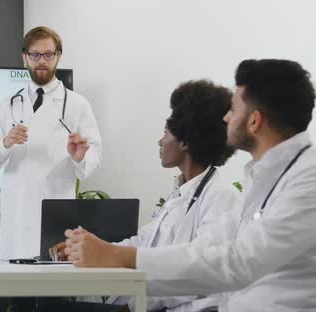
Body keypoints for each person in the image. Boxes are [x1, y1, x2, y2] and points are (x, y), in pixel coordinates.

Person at [65, 59, 316, 311]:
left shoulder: (308, 180)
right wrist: (105, 252)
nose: (227, 117)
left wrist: (117, 257)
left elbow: (238, 262)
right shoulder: (262, 178)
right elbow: (205, 252)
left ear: (254, 121)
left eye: (234, 109)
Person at [47, 80, 241, 312]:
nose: (160, 141)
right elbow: (143, 244)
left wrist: (131, 305)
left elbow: (198, 276)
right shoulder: (182, 193)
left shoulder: (222, 198)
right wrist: (91, 250)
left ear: (186, 141)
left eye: (165, 132)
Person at [0, 26, 102, 259]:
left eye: (48, 54)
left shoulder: (77, 105)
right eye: (35, 55)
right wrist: (5, 143)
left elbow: (93, 158)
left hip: (55, 210)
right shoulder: (8, 105)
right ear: (24, 57)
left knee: (52, 286)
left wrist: (80, 157)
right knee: (14, 287)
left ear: (58, 55)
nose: (42, 61)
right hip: (16, 213)